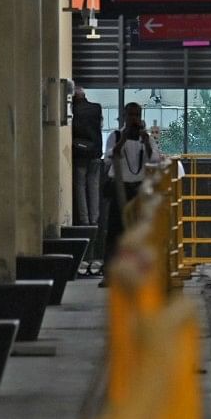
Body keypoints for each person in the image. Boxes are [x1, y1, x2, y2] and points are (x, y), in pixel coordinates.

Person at [101, 102, 162, 281]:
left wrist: (147, 142)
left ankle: (141, 272)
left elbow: (155, 160)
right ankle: (109, 274)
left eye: (136, 115)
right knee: (115, 232)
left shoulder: (146, 139)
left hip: (139, 190)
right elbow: (109, 158)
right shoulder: (116, 135)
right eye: (130, 115)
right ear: (124, 116)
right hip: (120, 188)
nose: (133, 119)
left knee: (140, 232)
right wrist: (124, 139)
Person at [69, 85, 103, 231]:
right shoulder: (96, 108)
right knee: (94, 185)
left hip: (80, 153)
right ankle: (95, 219)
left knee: (80, 186)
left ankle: (84, 220)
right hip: (95, 152)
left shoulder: (74, 110)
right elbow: (99, 127)